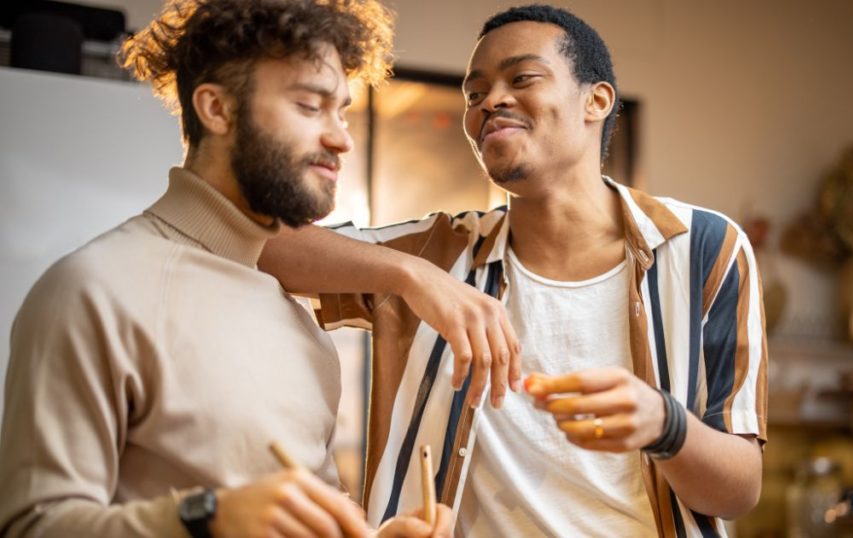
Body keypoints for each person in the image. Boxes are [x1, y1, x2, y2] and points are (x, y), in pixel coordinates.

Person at [260, 4, 767, 537]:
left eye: (522, 78)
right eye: (474, 94)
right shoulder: (437, 253)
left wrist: (667, 425)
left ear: (596, 101)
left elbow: (738, 492)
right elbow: (262, 246)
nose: (490, 102)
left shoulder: (706, 248)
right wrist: (415, 277)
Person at [0, 1, 485, 536]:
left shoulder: (296, 320)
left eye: (341, 111)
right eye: (309, 106)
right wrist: (209, 517)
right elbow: (32, 525)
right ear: (217, 109)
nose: (341, 138)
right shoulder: (92, 290)